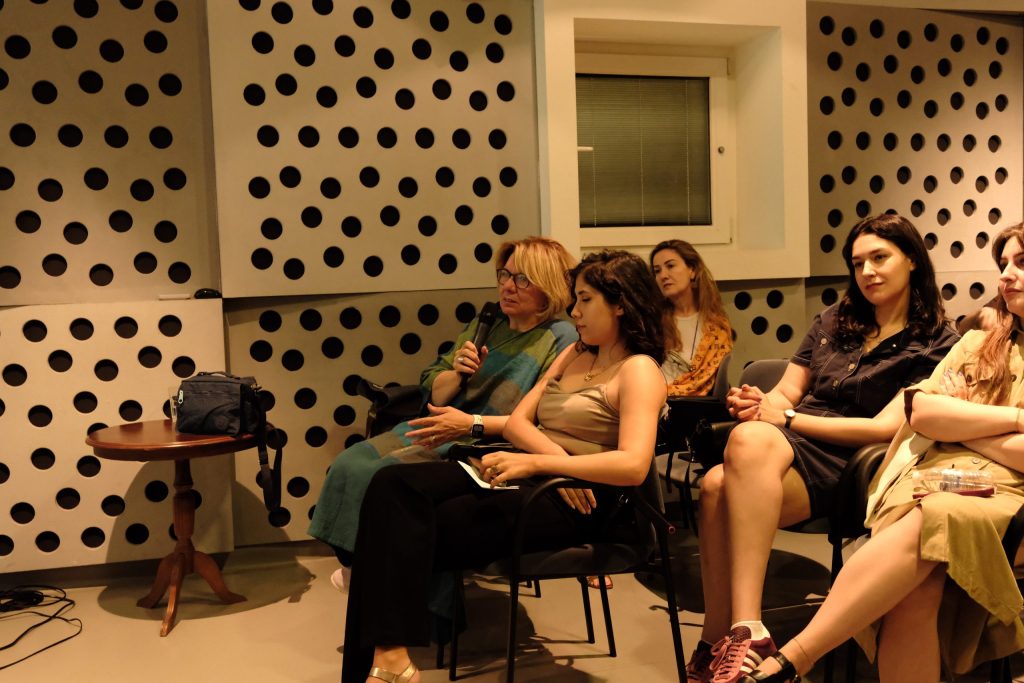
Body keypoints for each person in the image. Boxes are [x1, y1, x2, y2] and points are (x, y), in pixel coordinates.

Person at [340, 250, 672, 683]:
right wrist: (555, 463)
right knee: (390, 486)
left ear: (621, 304)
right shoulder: (575, 353)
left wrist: (541, 463)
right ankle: (390, 658)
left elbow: (633, 465)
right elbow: (517, 422)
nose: (574, 311)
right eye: (575, 299)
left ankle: (384, 668)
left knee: (410, 527)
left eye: (585, 300)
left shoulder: (639, 370)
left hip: (588, 500)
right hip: (547, 476)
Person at [739, 221, 1024, 682]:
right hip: (936, 476)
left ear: (910, 261)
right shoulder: (979, 342)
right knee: (916, 587)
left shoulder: (937, 336)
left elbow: (923, 422)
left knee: (936, 519)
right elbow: (922, 412)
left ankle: (794, 657)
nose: (1006, 274)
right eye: (1004, 263)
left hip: (1005, 497)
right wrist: (1015, 421)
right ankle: (747, 635)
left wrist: (962, 426)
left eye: (1021, 263)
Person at [690, 213, 960, 683]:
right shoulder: (835, 319)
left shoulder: (937, 340)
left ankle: (745, 628)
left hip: (857, 463)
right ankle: (726, 637)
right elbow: (787, 392)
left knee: (726, 473)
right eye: (858, 263)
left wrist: (786, 419)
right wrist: (759, 403)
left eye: (880, 258)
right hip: (792, 444)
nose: (867, 272)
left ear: (912, 260)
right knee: (718, 480)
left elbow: (884, 428)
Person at [308, 237, 578, 585]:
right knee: (350, 464)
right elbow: (432, 383)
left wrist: (470, 423)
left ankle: (381, 576)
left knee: (385, 476)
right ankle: (368, 566)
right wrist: (458, 374)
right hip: (439, 424)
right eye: (505, 275)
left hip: (483, 440)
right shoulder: (488, 323)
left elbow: (541, 417)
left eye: (522, 279)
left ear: (548, 286)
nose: (508, 286)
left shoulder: (560, 337)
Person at [651, 239, 733, 396]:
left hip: (696, 404)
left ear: (692, 270)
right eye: (657, 271)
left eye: (670, 266)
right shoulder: (652, 322)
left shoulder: (717, 326)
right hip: (652, 399)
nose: (663, 275)